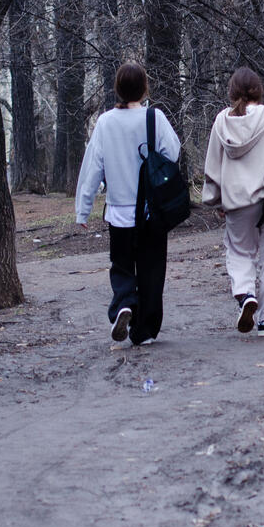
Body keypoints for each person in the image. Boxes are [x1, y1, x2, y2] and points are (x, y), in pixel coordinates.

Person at [75, 62, 180, 346]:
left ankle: (124, 303)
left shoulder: (105, 122)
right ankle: (144, 330)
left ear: (117, 89)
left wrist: (83, 209)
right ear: (144, 88)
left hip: (119, 212)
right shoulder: (153, 118)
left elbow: (92, 167)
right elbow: (173, 149)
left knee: (121, 265)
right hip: (151, 212)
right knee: (151, 269)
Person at [201, 67, 264, 337]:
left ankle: (245, 295)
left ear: (232, 91)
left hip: (236, 202)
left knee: (238, 251)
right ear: (259, 89)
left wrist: (215, 199)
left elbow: (213, 165)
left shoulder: (222, 121)